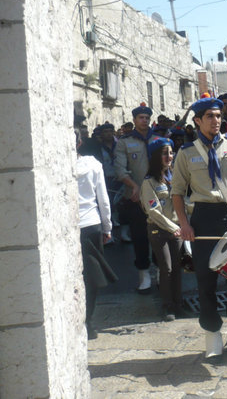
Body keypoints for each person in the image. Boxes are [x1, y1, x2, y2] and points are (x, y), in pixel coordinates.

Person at [172, 95, 227, 359]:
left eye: (219, 115)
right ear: (197, 121)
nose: (216, 120)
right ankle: (212, 338)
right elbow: (176, 193)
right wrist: (184, 225)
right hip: (204, 217)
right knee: (206, 281)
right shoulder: (186, 154)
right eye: (210, 116)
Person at [114, 103, 160, 293]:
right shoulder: (125, 142)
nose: (144, 120)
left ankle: (160, 271)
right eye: (141, 117)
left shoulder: (158, 139)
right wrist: (134, 186)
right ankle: (144, 276)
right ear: (134, 120)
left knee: (160, 236)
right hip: (137, 198)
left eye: (147, 118)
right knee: (140, 238)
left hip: (159, 197)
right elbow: (120, 169)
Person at [76, 134, 117, 340]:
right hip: (91, 224)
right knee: (91, 277)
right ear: (79, 143)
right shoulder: (93, 165)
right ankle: (88, 321)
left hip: (73, 226)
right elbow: (103, 199)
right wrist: (107, 227)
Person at [139, 137, 183, 322]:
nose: (169, 156)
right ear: (156, 156)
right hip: (159, 230)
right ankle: (167, 306)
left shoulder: (175, 177)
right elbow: (153, 211)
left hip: (176, 229)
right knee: (167, 268)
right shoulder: (149, 182)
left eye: (171, 152)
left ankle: (178, 303)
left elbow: (182, 201)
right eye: (165, 153)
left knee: (178, 268)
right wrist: (174, 227)